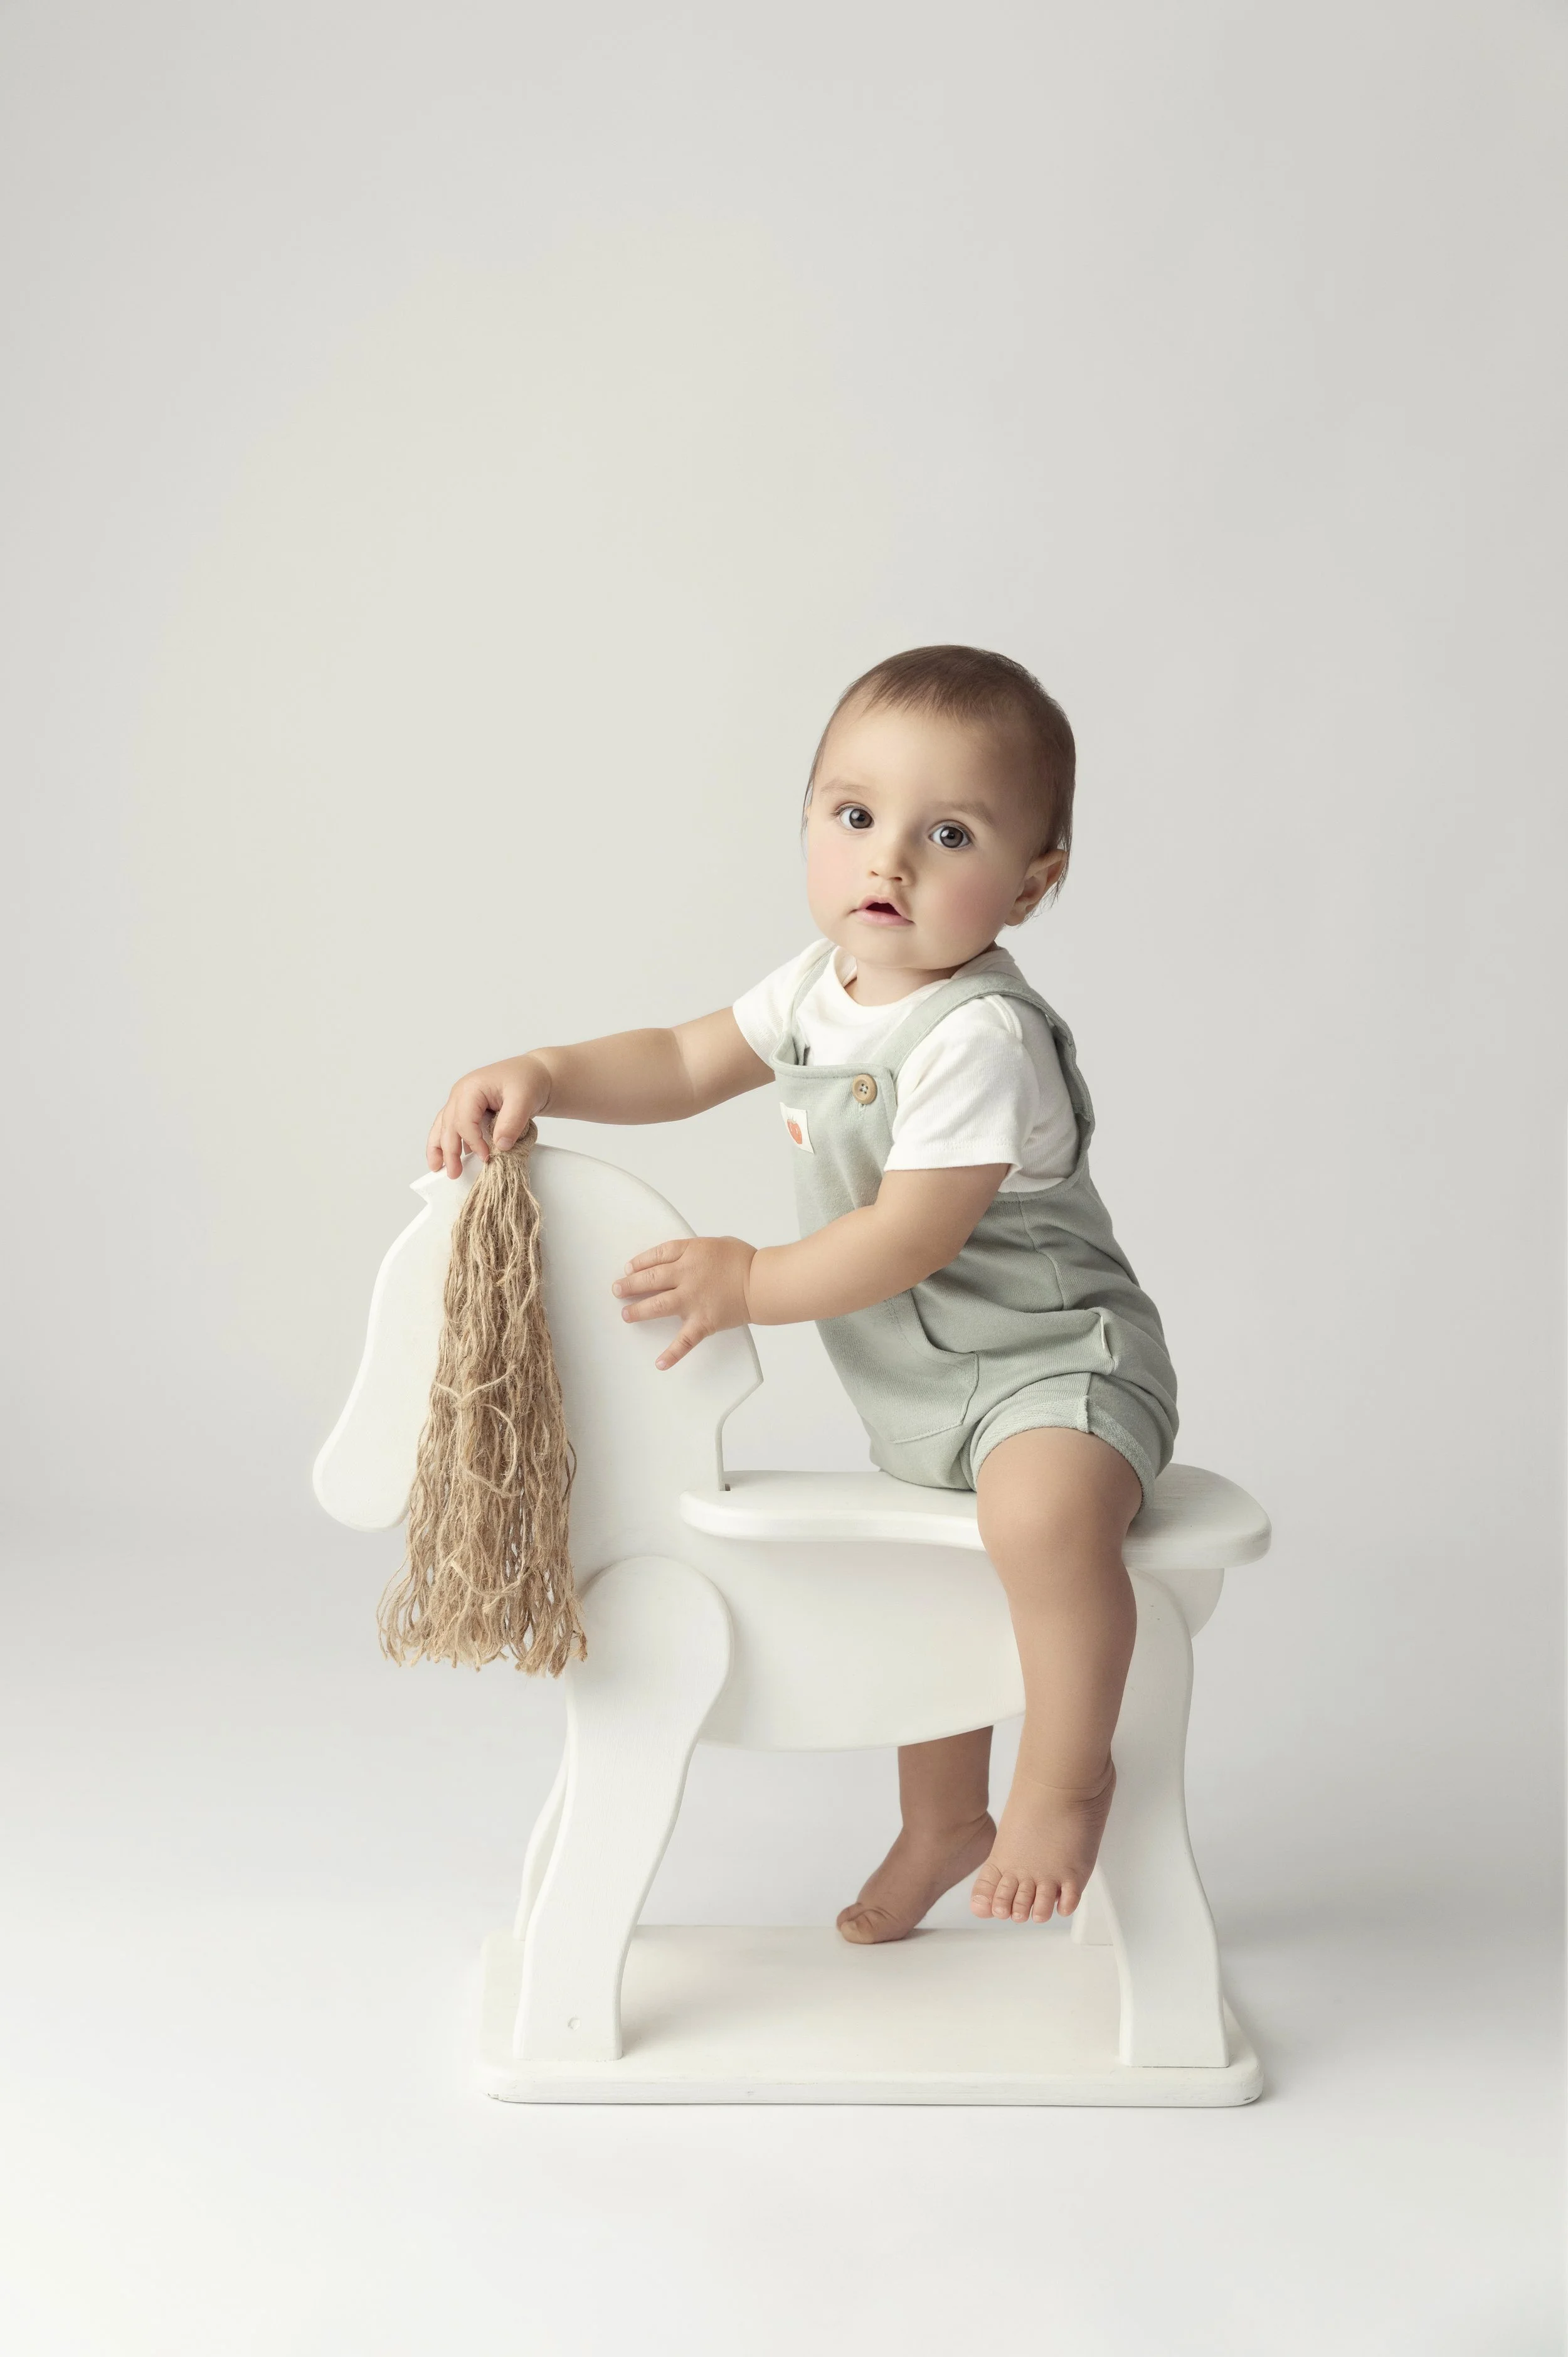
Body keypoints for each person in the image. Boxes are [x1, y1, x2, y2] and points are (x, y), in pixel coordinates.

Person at [426, 644, 1178, 1940]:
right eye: (854, 816)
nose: (886, 862)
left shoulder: (979, 1039)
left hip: (1059, 1366)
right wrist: (545, 1066)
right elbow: (673, 1059)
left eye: (947, 834)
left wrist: (753, 1281)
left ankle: (1063, 1781)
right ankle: (941, 1820)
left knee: (1041, 1522)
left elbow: (908, 1237)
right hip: (925, 1389)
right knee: (938, 1580)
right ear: (810, 826)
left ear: (1029, 885)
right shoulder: (812, 993)